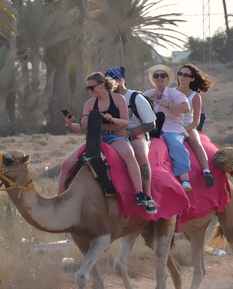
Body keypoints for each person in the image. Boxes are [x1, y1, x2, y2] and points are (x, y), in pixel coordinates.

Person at [61, 72, 152, 212]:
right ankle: (59, 198)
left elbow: (125, 122)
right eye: (88, 89)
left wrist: (112, 119)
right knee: (66, 163)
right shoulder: (90, 103)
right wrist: (70, 124)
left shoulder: (118, 99)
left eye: (92, 88)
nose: (90, 91)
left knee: (129, 154)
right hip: (96, 137)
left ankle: (139, 193)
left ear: (102, 85)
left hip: (115, 136)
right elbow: (83, 127)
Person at [104, 66, 158, 214]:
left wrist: (128, 132)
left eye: (112, 81)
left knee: (139, 153)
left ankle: (147, 196)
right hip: (113, 135)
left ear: (121, 80)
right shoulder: (107, 99)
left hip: (136, 134)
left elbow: (151, 124)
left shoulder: (136, 98)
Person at [143, 64, 192, 191]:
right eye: (156, 76)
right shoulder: (147, 94)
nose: (159, 78)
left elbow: (186, 108)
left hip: (172, 128)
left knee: (176, 145)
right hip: (152, 129)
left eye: (162, 75)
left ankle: (185, 178)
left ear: (167, 79)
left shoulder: (174, 93)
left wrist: (167, 104)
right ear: (153, 79)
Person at [176, 63, 215, 188]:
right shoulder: (171, 92)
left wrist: (184, 130)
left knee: (196, 143)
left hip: (189, 125)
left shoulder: (195, 96)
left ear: (192, 79)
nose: (182, 77)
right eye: (180, 74)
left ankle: (206, 172)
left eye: (186, 75)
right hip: (173, 125)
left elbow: (196, 121)